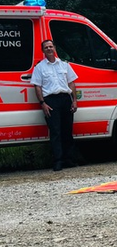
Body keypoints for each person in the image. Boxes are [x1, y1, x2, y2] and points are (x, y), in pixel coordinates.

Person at [30, 39, 78, 171]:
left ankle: (68, 159)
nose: (49, 49)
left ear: (54, 48)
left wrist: (74, 100)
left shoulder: (64, 65)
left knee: (67, 130)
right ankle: (58, 161)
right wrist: (43, 103)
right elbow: (37, 87)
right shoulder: (39, 68)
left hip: (65, 99)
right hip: (51, 101)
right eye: (46, 47)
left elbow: (72, 83)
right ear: (43, 51)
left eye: (51, 46)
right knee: (55, 131)